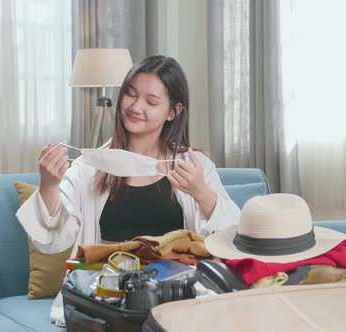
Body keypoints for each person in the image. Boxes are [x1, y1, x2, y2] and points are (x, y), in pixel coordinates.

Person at [16, 55, 241, 326]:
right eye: (130, 94)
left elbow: (235, 240)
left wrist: (202, 194)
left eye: (151, 101)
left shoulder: (194, 167)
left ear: (173, 111)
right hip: (106, 296)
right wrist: (49, 185)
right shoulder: (89, 167)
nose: (135, 106)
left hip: (174, 296)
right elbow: (53, 239)